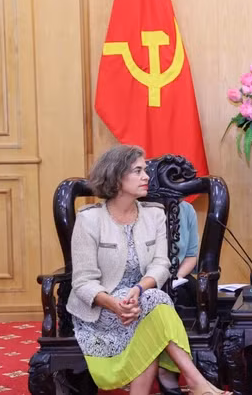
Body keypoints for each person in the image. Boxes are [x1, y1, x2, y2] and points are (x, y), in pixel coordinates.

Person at [66, 145, 226, 395]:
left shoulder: (154, 215)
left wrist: (139, 288)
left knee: (151, 302)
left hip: (141, 298)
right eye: (138, 171)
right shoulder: (90, 220)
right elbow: (83, 281)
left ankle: (195, 384)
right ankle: (197, 383)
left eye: (145, 171)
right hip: (101, 309)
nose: (146, 177)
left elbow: (161, 264)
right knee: (154, 306)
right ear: (116, 176)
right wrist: (115, 304)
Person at [157, 199, 200, 395]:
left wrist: (176, 277)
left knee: (186, 293)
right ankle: (166, 370)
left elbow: (191, 255)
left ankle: (170, 369)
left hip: (178, 276)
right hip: (146, 279)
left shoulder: (187, 209)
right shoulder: (141, 206)